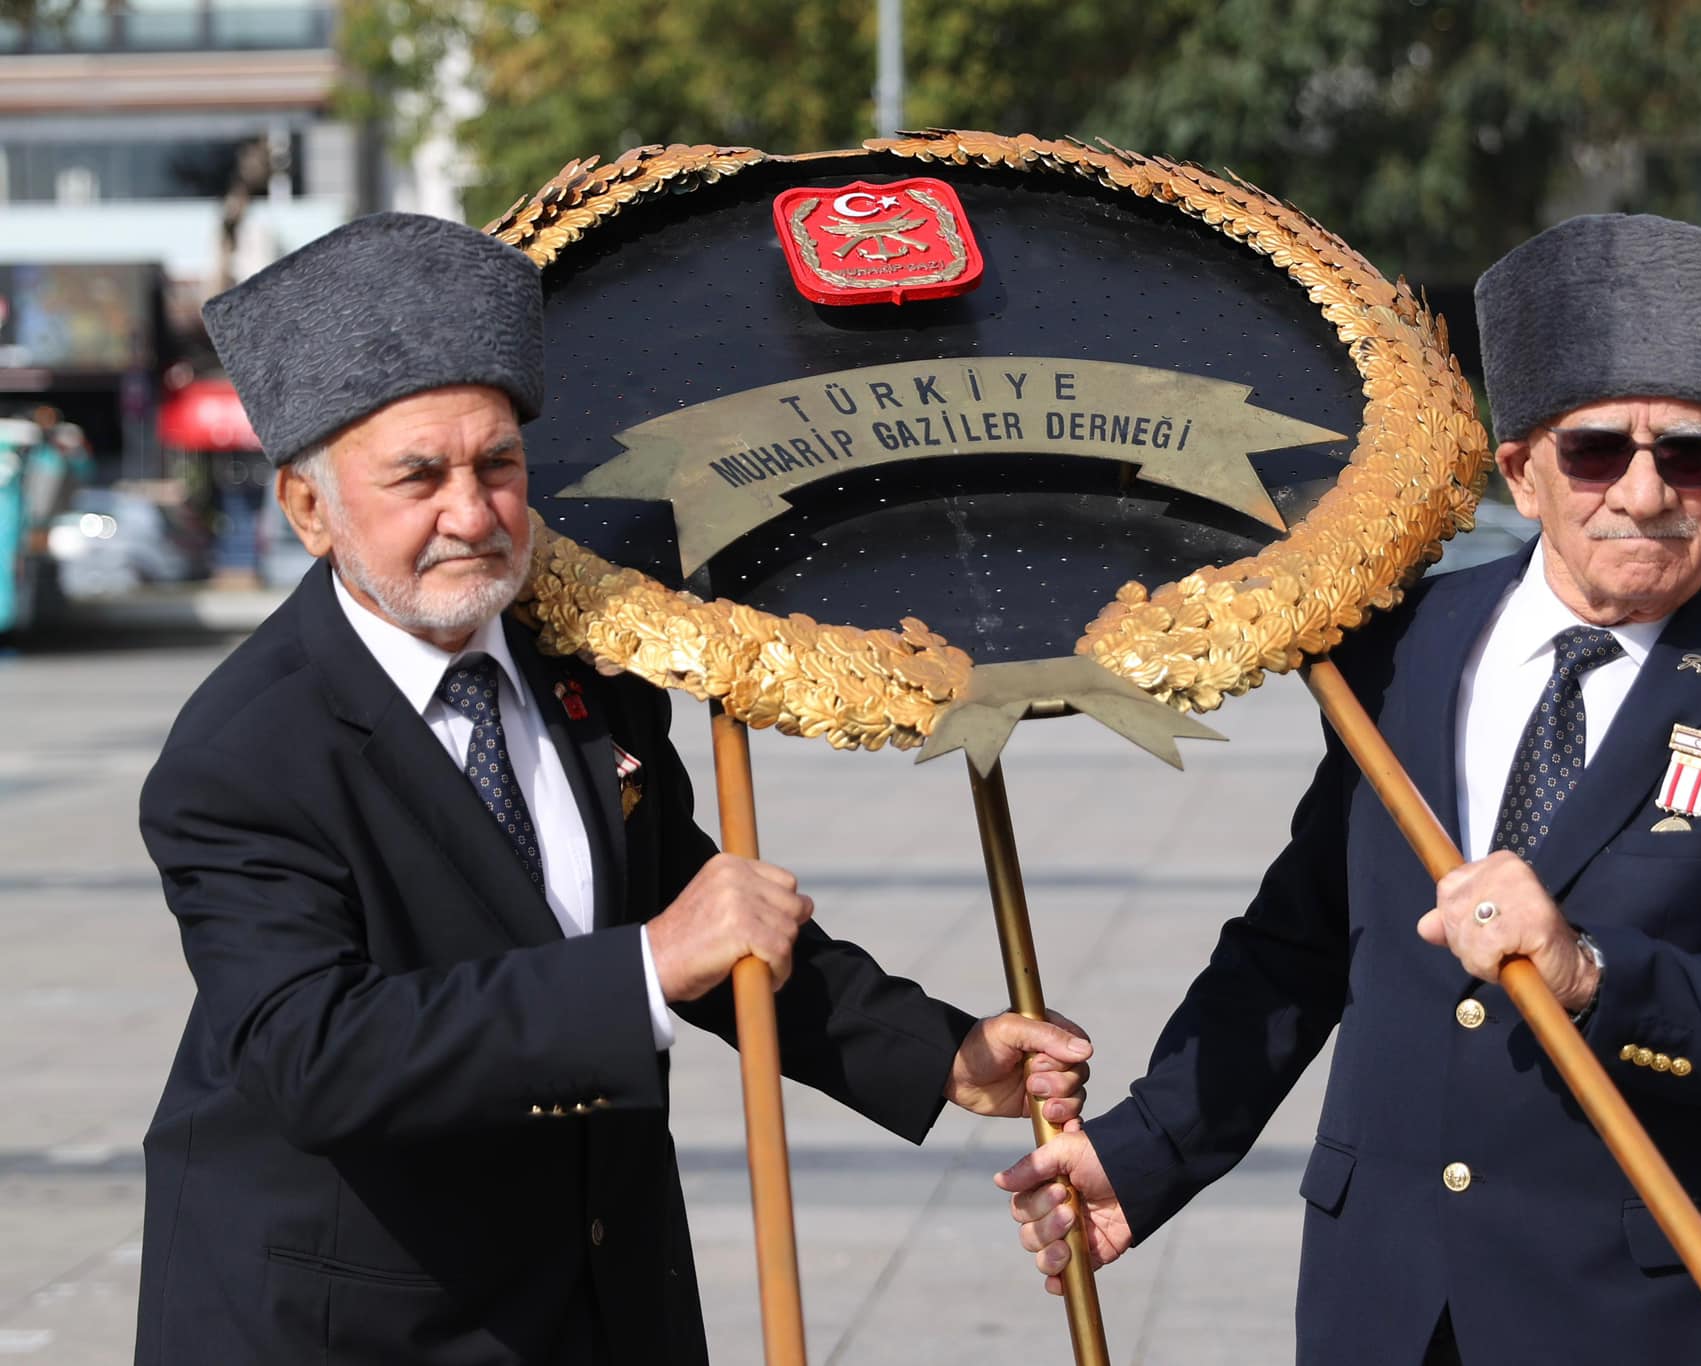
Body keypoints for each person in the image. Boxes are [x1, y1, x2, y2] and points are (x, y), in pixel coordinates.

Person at [135, 213, 1093, 1366]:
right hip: (359, 1321)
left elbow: (692, 906)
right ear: (307, 509)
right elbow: (314, 1054)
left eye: (497, 465)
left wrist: (937, 1053)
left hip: (600, 1297)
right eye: (417, 477)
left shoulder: (581, 666)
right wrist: (642, 969)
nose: (471, 512)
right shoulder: (243, 753)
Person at [996, 214, 1701, 1366]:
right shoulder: (1398, 646)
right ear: (1519, 469)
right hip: (1396, 1309)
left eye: (1687, 454)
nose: (1642, 494)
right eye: (1596, 452)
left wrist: (1591, 973)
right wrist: (1143, 1153)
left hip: (1669, 1315)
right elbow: (1302, 941)